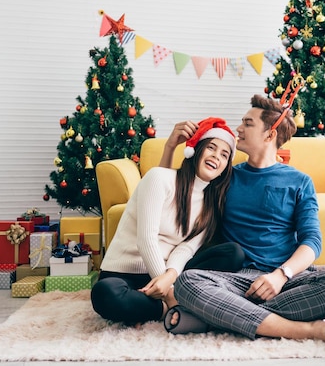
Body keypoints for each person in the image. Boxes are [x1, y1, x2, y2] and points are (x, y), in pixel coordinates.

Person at [160, 91, 325, 352]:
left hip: (285, 281)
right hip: (234, 280)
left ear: (270, 135)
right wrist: (170, 147)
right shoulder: (225, 176)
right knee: (188, 283)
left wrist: (281, 276)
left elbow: (312, 242)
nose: (238, 128)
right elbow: (171, 192)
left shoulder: (299, 181)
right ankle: (311, 329)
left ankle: (215, 316)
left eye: (248, 123)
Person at [91, 117, 244, 325]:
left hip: (169, 275)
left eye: (224, 155)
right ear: (195, 151)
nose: (216, 157)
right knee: (104, 293)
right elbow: (146, 239)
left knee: (233, 254)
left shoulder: (211, 205)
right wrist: (168, 295)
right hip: (125, 274)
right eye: (211, 148)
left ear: (226, 166)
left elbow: (186, 249)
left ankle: (159, 305)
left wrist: (169, 278)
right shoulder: (159, 178)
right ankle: (169, 307)